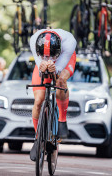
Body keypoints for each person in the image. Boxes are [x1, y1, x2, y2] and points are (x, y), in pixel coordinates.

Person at [29, 29, 76, 161]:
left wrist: (55, 69)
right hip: (42, 58)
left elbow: (58, 70)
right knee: (38, 100)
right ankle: (38, 139)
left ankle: (62, 119)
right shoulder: (34, 40)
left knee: (60, 80)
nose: (50, 59)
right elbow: (40, 67)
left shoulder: (69, 42)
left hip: (65, 59)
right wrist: (42, 67)